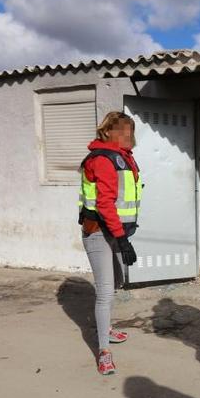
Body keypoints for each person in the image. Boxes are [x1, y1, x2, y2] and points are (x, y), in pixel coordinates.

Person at [78, 111, 141, 375]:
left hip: (113, 231)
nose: (129, 136)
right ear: (108, 132)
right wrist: (122, 239)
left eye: (131, 131)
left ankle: (107, 328)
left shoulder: (123, 158)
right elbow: (104, 204)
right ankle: (104, 351)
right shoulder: (103, 159)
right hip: (98, 232)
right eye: (123, 131)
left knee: (115, 283)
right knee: (104, 291)